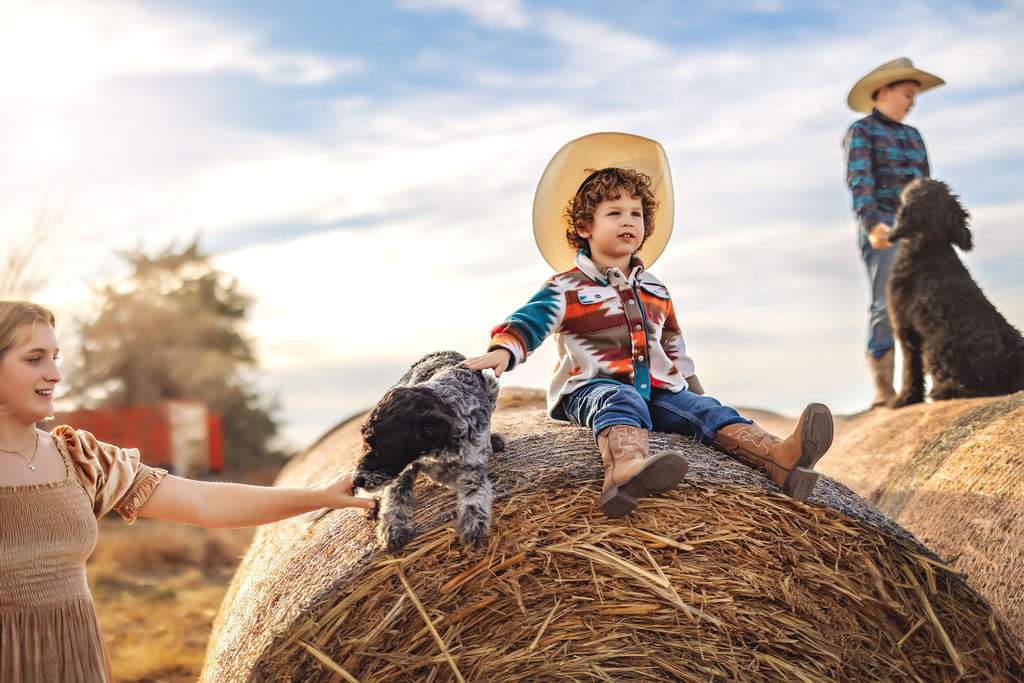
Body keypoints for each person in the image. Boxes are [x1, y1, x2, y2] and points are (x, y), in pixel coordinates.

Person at [0, 300, 375, 683]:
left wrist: (318, 495)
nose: (55, 374)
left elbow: (206, 501)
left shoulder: (83, 459)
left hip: (77, 661)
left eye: (56, 357)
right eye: (35, 359)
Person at [464, 132, 834, 518]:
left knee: (706, 411)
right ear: (584, 227)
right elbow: (530, 321)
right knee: (619, 399)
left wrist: (693, 392)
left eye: (636, 214)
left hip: (656, 390)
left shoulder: (655, 289)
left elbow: (673, 346)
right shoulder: (566, 286)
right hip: (591, 389)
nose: (629, 221)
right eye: (614, 213)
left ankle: (781, 458)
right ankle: (623, 471)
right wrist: (503, 351)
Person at [843, 57, 945, 408]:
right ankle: (884, 388)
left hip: (919, 230)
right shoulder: (862, 131)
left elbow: (925, 186)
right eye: (907, 95)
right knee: (885, 304)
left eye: (914, 97)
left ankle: (919, 383)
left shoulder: (913, 135)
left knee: (926, 302)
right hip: (884, 223)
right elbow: (860, 181)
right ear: (883, 91)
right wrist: (873, 225)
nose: (911, 103)